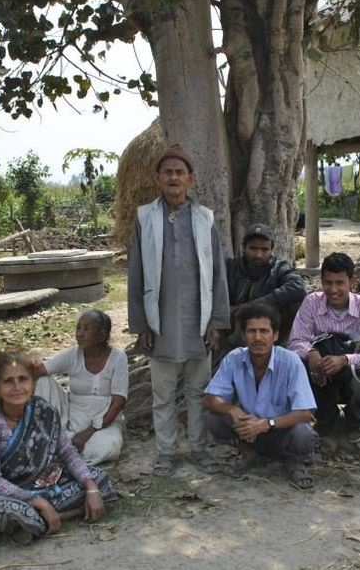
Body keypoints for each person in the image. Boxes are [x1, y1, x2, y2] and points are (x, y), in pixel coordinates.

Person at [127, 143, 230, 476]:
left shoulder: (204, 219)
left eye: (179, 172)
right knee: (163, 393)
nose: (173, 177)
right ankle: (167, 452)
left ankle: (199, 448)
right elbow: (136, 273)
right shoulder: (145, 217)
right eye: (168, 172)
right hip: (161, 323)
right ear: (158, 178)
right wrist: (140, 321)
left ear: (190, 179)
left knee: (198, 389)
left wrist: (216, 320)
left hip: (197, 321)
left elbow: (217, 274)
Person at [0, 351, 117, 541]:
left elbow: (67, 453)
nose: (17, 387)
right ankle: (48, 514)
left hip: (38, 484)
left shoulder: (43, 411)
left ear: (33, 384)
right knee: (10, 511)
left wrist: (91, 488)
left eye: (23, 379)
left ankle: (44, 520)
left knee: (99, 481)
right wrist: (36, 500)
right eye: (8, 381)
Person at [204, 302, 318, 489]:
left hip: (281, 430)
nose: (258, 338)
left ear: (275, 335)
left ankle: (296, 463)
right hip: (249, 431)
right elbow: (209, 399)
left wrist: (265, 424)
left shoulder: (290, 361)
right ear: (243, 335)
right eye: (251, 331)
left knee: (302, 432)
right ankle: (248, 453)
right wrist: (232, 410)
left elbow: (306, 412)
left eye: (264, 331)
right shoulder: (234, 358)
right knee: (214, 417)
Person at [288, 252, 360, 441]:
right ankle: (324, 418)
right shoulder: (311, 303)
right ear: (321, 280)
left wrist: (344, 360)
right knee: (296, 364)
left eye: (339, 283)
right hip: (320, 374)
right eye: (328, 283)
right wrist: (311, 354)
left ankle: (355, 421)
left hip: (351, 373)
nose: (333, 289)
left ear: (352, 281)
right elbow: (295, 341)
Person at [32, 309, 128, 465]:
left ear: (102, 336)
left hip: (103, 426)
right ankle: (60, 440)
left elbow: (119, 403)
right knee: (42, 381)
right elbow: (38, 371)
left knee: (109, 447)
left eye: (86, 329)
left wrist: (87, 433)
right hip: (70, 421)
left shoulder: (118, 358)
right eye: (78, 328)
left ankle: (64, 452)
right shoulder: (72, 354)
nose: (79, 333)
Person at [221, 223, 308, 357]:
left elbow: (298, 287)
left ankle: (283, 352)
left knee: (295, 304)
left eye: (264, 249)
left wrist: (252, 306)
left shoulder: (279, 268)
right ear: (244, 248)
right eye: (253, 248)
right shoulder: (230, 267)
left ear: (272, 249)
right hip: (233, 330)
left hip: (267, 331)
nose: (259, 254)